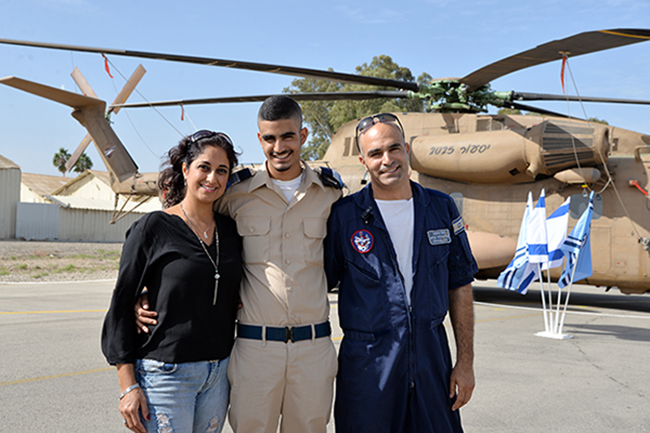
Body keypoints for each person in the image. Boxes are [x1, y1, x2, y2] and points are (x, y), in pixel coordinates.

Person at [136, 96, 343, 433]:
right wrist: (146, 290)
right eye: (270, 138)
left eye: (288, 136)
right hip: (255, 349)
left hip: (313, 348)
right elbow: (186, 236)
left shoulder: (331, 193)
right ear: (259, 139)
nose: (279, 147)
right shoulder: (236, 193)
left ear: (303, 136)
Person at [324, 113, 478, 433]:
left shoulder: (441, 208)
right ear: (362, 161)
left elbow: (460, 283)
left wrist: (465, 363)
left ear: (406, 149)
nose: (387, 160)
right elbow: (318, 282)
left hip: (432, 362)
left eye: (394, 149)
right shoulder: (343, 217)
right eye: (375, 153)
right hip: (368, 368)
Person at [101, 130, 243, 433]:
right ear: (185, 169)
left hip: (218, 374)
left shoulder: (231, 231)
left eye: (222, 171)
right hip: (166, 374)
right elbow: (122, 303)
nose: (212, 178)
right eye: (204, 167)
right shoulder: (154, 227)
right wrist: (127, 385)